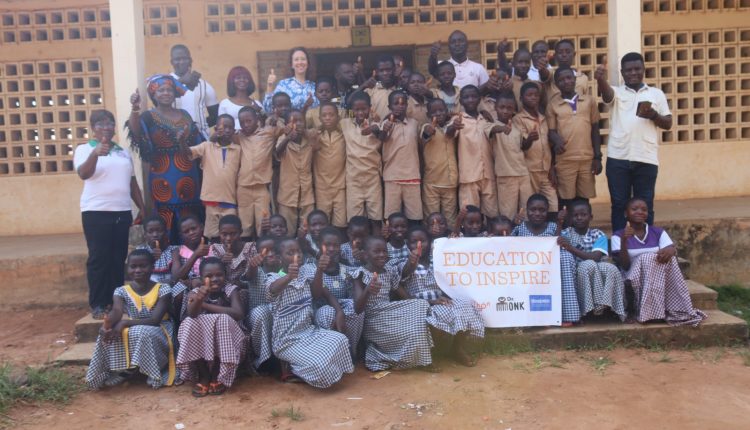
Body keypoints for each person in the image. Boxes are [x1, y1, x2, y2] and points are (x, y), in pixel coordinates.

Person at [75, 109, 145, 318]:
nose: (106, 127)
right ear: (93, 128)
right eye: (101, 123)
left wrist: (142, 208)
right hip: (96, 212)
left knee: (117, 258)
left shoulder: (123, 152)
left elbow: (132, 182)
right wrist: (95, 154)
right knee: (99, 258)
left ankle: (116, 302)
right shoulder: (84, 149)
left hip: (122, 211)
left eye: (110, 123)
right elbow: (83, 173)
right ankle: (98, 303)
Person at [595, 52, 673, 231]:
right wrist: (600, 80)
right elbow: (607, 96)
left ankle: (646, 243)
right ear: (622, 72)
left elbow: (668, 124)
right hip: (618, 158)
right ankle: (619, 244)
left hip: (646, 158)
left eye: (637, 69)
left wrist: (653, 115)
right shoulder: (617, 92)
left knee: (645, 205)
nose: (633, 73)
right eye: (628, 70)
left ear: (644, 69)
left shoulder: (656, 94)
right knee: (619, 204)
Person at [266, 238, 354, 386]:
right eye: (290, 253)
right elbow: (272, 290)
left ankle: (301, 365)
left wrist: (320, 269)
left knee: (341, 340)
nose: (297, 255)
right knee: (321, 368)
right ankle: (292, 369)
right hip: (286, 341)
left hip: (309, 332)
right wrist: (289, 277)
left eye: (298, 251)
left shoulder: (307, 270)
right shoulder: (273, 277)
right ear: (280, 258)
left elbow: (317, 294)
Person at [127, 75, 203, 243]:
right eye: (161, 90)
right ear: (154, 94)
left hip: (188, 173)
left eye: (169, 90)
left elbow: (198, 141)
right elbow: (136, 132)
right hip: (162, 175)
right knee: (165, 214)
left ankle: (191, 252)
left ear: (175, 93)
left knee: (189, 213)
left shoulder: (185, 114)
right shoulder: (148, 116)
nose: (166, 93)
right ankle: (167, 255)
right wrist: (135, 108)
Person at [86, 249, 175, 389]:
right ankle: (119, 370)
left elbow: (155, 320)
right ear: (127, 269)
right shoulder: (121, 290)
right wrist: (106, 326)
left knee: (140, 332)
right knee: (108, 333)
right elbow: (117, 311)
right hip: (134, 326)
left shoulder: (163, 289)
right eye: (133, 266)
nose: (138, 270)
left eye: (143, 266)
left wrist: (125, 322)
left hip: (160, 329)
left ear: (152, 267)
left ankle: (151, 373)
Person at [612, 198, 706, 326]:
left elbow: (670, 249)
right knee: (647, 258)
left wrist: (671, 250)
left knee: (669, 258)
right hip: (632, 277)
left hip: (657, 276)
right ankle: (647, 312)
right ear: (625, 213)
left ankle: (670, 309)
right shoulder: (618, 235)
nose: (639, 212)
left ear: (648, 213)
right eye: (634, 209)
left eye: (644, 209)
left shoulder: (658, 232)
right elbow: (625, 266)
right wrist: (624, 241)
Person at [399, 227, 485, 366]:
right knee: (438, 314)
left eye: (423, 241)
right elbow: (404, 273)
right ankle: (430, 355)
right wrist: (412, 263)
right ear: (407, 244)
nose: (419, 244)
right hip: (420, 304)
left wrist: (452, 243)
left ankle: (457, 349)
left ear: (430, 242)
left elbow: (451, 272)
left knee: (466, 306)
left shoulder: (437, 258)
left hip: (441, 299)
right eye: (414, 241)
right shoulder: (404, 261)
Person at [353, 236, 433, 371]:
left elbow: (404, 295)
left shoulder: (389, 270)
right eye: (376, 251)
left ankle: (421, 358)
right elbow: (357, 309)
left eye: (384, 251)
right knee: (418, 311)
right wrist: (368, 290)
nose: (382, 255)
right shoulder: (360, 274)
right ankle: (412, 359)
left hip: (388, 312)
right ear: (365, 255)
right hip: (373, 319)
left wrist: (423, 305)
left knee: (420, 305)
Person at [178, 257, 248, 397]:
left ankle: (216, 374)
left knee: (223, 320)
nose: (215, 279)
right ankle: (204, 375)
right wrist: (198, 300)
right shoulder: (195, 292)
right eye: (209, 276)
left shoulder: (230, 290)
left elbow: (238, 313)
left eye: (219, 275)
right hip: (202, 343)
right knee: (189, 322)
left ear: (225, 275)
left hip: (227, 340)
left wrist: (204, 305)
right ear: (201, 278)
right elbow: (191, 314)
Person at [512, 194, 580, 326]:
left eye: (542, 210)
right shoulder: (520, 227)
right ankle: (535, 317)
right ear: (526, 210)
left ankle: (567, 315)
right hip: (526, 271)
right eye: (533, 210)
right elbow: (506, 246)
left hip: (549, 271)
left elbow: (559, 245)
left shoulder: (553, 226)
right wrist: (512, 224)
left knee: (565, 256)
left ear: (548, 211)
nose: (537, 213)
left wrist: (560, 223)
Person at [559, 200, 626, 321]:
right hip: (577, 272)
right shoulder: (566, 233)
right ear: (570, 218)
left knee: (610, 268)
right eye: (575, 215)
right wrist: (559, 222)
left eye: (583, 215)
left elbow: (596, 257)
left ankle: (612, 309)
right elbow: (556, 239)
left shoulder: (598, 234)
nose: (579, 218)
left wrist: (571, 248)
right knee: (588, 265)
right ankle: (588, 311)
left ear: (591, 217)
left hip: (596, 266)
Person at [547, 67, 602, 210]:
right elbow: (551, 131)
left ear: (575, 79)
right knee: (566, 200)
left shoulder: (589, 101)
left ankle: (582, 224)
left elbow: (595, 130)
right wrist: (556, 139)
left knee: (584, 200)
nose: (566, 82)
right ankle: (566, 224)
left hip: (586, 159)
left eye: (569, 78)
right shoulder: (553, 104)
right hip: (565, 160)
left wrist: (597, 157)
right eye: (561, 80)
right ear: (556, 84)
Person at [311, 227, 366, 359]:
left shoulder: (346, 270)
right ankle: (329, 355)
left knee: (355, 310)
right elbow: (316, 295)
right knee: (327, 312)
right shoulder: (310, 268)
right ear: (319, 245)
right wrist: (319, 270)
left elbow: (353, 299)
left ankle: (350, 352)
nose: (331, 248)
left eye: (335, 245)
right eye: (327, 245)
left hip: (342, 309)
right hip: (319, 311)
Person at [186, 114, 241, 239]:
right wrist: (181, 142)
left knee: (230, 233)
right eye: (224, 127)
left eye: (230, 128)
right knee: (213, 235)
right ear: (216, 129)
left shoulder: (238, 149)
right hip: (211, 200)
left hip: (230, 199)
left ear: (234, 131)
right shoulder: (206, 146)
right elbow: (188, 153)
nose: (227, 130)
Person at [450, 85, 498, 219]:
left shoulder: (485, 119)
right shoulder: (458, 119)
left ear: (479, 99)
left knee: (492, 214)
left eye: (473, 96)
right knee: (470, 216)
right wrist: (453, 127)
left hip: (488, 174)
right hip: (468, 177)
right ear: (461, 101)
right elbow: (449, 133)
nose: (470, 100)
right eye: (466, 97)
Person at [512, 82, 558, 217]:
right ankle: (529, 230)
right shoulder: (518, 119)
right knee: (529, 206)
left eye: (536, 95)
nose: (533, 97)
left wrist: (552, 168)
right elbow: (520, 145)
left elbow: (549, 146)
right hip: (529, 170)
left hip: (546, 170)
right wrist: (529, 140)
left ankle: (552, 230)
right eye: (529, 95)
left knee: (553, 204)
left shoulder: (544, 118)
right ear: (521, 98)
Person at [341, 91, 383, 229]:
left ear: (370, 108)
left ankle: (376, 241)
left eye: (364, 109)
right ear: (351, 110)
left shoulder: (377, 125)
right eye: (356, 109)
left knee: (376, 218)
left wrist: (374, 128)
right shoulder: (345, 124)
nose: (360, 113)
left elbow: (382, 135)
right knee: (355, 220)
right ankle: (356, 242)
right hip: (353, 179)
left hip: (373, 178)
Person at [235, 106, 279, 239]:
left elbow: (284, 128)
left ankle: (264, 249)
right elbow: (220, 136)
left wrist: (269, 116)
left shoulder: (268, 133)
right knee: (245, 225)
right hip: (243, 187)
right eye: (242, 122)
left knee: (264, 223)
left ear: (257, 119)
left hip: (262, 186)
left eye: (249, 121)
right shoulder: (238, 136)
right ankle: (246, 249)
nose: (246, 125)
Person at [486, 92, 532, 219]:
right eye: (502, 107)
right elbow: (492, 130)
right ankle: (508, 231)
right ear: (495, 108)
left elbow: (522, 146)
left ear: (514, 110)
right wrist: (502, 128)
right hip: (506, 175)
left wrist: (530, 139)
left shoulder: (516, 127)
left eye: (509, 108)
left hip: (523, 174)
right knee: (508, 213)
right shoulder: (490, 124)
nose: (505, 111)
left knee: (526, 211)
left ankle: (525, 231)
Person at [379, 91, 423, 223]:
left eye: (403, 103)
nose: (400, 106)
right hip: (392, 177)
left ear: (407, 105)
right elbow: (382, 138)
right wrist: (385, 129)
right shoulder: (385, 124)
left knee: (415, 216)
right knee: (392, 217)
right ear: (389, 107)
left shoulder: (414, 123)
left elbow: (421, 145)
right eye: (396, 103)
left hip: (412, 175)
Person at [420, 98, 459, 227]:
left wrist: (453, 124)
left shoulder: (451, 127)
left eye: (441, 110)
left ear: (446, 111)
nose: (438, 114)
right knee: (432, 219)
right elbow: (425, 136)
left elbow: (450, 132)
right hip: (432, 183)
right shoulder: (426, 127)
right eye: (434, 112)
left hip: (450, 182)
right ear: (428, 115)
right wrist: (428, 132)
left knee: (450, 220)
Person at [275, 109, 314, 231]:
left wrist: (306, 133)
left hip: (306, 193)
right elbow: (277, 153)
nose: (298, 124)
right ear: (287, 124)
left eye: (301, 121)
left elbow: (318, 146)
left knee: (307, 230)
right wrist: (287, 138)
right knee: (287, 229)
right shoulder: (283, 138)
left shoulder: (309, 138)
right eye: (294, 121)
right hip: (287, 193)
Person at [169, 44, 219, 139]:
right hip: (173, 139)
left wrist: (196, 128)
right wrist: (181, 81)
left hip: (201, 140)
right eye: (177, 59)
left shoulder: (204, 86)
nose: (181, 62)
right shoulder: (164, 84)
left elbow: (215, 116)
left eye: (185, 58)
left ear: (191, 60)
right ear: (171, 62)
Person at [243, 236, 279, 369]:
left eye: (274, 250)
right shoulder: (256, 270)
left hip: (281, 315)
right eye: (265, 251)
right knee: (262, 312)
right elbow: (248, 276)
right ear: (258, 253)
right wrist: (252, 265)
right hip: (257, 317)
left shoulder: (286, 269)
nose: (270, 253)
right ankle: (263, 359)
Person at [311, 102, 348, 228]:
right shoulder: (315, 134)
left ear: (338, 117)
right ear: (319, 118)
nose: (328, 118)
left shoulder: (344, 134)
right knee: (323, 222)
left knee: (341, 223)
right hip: (322, 187)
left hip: (341, 186)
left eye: (331, 115)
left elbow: (352, 116)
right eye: (324, 115)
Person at [170, 216, 210, 314]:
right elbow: (176, 277)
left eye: (194, 228)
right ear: (181, 235)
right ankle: (179, 321)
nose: (191, 232)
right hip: (188, 288)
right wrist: (195, 255)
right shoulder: (178, 251)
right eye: (186, 231)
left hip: (210, 284)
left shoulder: (212, 247)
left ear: (202, 227)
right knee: (177, 291)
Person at [264, 47, 318, 112]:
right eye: (296, 59)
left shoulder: (314, 86)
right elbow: (268, 109)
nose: (300, 62)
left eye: (303, 59)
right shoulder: (283, 85)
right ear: (292, 64)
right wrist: (269, 85)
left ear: (308, 63)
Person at [208, 215, 257, 287]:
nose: (228, 238)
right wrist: (221, 263)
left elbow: (251, 277)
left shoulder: (250, 248)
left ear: (240, 232)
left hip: (246, 288)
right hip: (223, 288)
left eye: (233, 234)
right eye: (224, 234)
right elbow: (211, 274)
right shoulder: (215, 249)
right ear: (219, 233)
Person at [544, 39, 589, 106]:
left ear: (574, 54)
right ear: (555, 55)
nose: (564, 55)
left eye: (568, 52)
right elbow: (543, 75)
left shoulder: (583, 78)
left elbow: (586, 102)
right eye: (560, 52)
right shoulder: (550, 75)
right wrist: (543, 66)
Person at [137, 216, 178, 285]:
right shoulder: (140, 251)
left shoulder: (174, 250)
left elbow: (176, 277)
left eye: (159, 231)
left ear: (166, 232)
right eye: (150, 232)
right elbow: (138, 275)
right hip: (148, 288)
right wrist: (150, 259)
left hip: (169, 287)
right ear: (145, 235)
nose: (155, 235)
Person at [362, 55, 398, 121]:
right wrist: (363, 85)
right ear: (377, 72)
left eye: (388, 69)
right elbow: (351, 107)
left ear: (394, 70)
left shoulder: (400, 91)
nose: (385, 73)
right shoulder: (369, 91)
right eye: (381, 70)